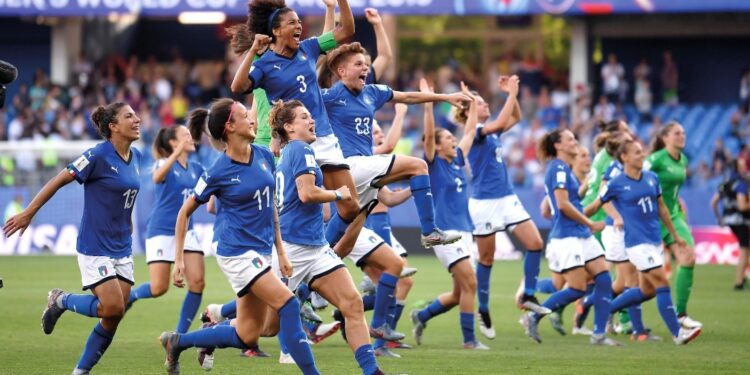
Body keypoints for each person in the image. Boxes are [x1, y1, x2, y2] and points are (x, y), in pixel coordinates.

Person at [158, 99, 320, 375]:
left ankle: (178, 342)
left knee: (252, 333)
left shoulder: (264, 155)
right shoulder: (218, 171)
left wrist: (280, 252)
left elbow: (272, 209)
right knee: (289, 303)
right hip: (236, 252)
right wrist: (179, 260)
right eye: (245, 116)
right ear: (230, 127)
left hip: (262, 251)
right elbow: (184, 213)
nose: (252, 120)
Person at [4, 102, 143, 375]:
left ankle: (81, 371)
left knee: (115, 315)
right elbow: (58, 179)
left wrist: (127, 222)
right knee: (112, 307)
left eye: (135, 115)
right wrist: (29, 213)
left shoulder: (135, 156)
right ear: (113, 126)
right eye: (129, 116)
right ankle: (61, 300)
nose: (137, 119)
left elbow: (125, 196)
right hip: (95, 245)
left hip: (121, 245)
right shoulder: (96, 155)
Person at [228, 0, 364, 245]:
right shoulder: (264, 64)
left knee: (351, 207)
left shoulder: (308, 48)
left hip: (323, 135)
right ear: (277, 32)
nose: (299, 26)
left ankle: (323, 257)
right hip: (294, 142)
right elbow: (237, 87)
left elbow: (345, 30)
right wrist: (251, 52)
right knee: (299, 207)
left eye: (299, 22)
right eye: (292, 22)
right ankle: (295, 262)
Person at [269, 99, 389, 374]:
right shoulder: (300, 149)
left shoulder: (293, 150)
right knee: (263, 327)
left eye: (311, 116)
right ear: (289, 127)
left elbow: (306, 198)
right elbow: (306, 193)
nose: (311, 121)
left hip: (316, 247)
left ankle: (372, 371)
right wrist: (338, 194)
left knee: (352, 302)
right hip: (292, 248)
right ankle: (202, 333)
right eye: (303, 117)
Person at [322, 43, 468, 248]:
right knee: (418, 166)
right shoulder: (330, 97)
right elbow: (297, 104)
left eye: (365, 64)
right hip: (349, 166)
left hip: (361, 172)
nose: (365, 68)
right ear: (342, 71)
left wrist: (443, 97)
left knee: (346, 221)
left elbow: (408, 96)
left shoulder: (372, 92)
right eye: (358, 64)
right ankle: (429, 231)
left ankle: (314, 262)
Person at [457, 75, 548, 340]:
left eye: (485, 102)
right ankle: (483, 310)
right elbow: (499, 122)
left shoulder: (490, 131)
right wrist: (510, 95)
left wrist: (512, 95)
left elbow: (515, 118)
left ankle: (528, 294)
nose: (486, 105)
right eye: (481, 103)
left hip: (507, 198)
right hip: (484, 203)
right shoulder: (473, 132)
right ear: (469, 110)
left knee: (534, 243)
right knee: (486, 259)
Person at [586, 140, 702, 345]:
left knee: (646, 291)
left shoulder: (652, 178)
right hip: (636, 244)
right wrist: (581, 221)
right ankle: (678, 334)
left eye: (642, 151)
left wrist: (675, 235)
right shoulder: (616, 183)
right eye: (637, 152)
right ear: (625, 157)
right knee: (662, 282)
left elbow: (662, 209)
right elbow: (596, 205)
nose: (643, 155)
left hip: (654, 240)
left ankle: (605, 309)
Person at [410, 80, 488, 350]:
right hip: (443, 234)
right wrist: (429, 103)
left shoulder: (457, 160)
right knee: (471, 283)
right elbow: (429, 136)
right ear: (438, 147)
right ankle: (470, 340)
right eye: (449, 140)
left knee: (459, 292)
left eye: (454, 140)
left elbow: (469, 130)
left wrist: (472, 102)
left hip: (466, 231)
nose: (455, 142)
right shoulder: (432, 164)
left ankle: (422, 316)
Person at [523, 129, 618, 346]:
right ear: (558, 145)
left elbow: (554, 206)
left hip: (580, 234)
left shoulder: (564, 169)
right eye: (570, 139)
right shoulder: (557, 168)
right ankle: (533, 316)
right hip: (567, 236)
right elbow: (563, 205)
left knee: (603, 278)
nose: (575, 142)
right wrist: (590, 223)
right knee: (576, 288)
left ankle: (599, 334)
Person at [127, 126, 206, 337]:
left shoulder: (197, 168)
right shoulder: (163, 164)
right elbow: (156, 178)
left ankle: (178, 336)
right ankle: (132, 297)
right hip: (162, 230)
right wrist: (176, 154)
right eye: (184, 135)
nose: (190, 137)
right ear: (173, 142)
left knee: (197, 282)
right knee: (159, 288)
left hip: (187, 231)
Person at [644, 121, 702, 329]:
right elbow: (636, 178)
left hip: (673, 215)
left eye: (684, 133)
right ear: (665, 138)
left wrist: (679, 205)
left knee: (688, 257)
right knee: (638, 275)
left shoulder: (683, 160)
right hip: (649, 216)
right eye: (677, 133)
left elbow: (673, 190)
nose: (682, 136)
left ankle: (681, 314)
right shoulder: (655, 160)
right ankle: (621, 317)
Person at [711, 159, 750, 290]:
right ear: (737, 168)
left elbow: (713, 202)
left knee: (746, 250)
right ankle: (739, 282)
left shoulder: (725, 183)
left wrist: (719, 218)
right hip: (741, 221)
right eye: (743, 166)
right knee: (744, 251)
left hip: (729, 220)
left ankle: (743, 278)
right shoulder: (741, 184)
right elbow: (742, 205)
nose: (745, 168)